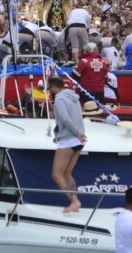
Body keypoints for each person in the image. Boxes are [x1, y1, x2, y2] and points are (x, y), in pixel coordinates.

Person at [49, 75, 86, 213]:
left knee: (57, 174)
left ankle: (74, 201)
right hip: (77, 140)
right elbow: (75, 118)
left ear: (53, 87)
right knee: (67, 173)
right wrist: (78, 134)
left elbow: (64, 119)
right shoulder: (73, 97)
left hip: (70, 139)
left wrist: (76, 133)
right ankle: (75, 202)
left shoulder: (59, 99)